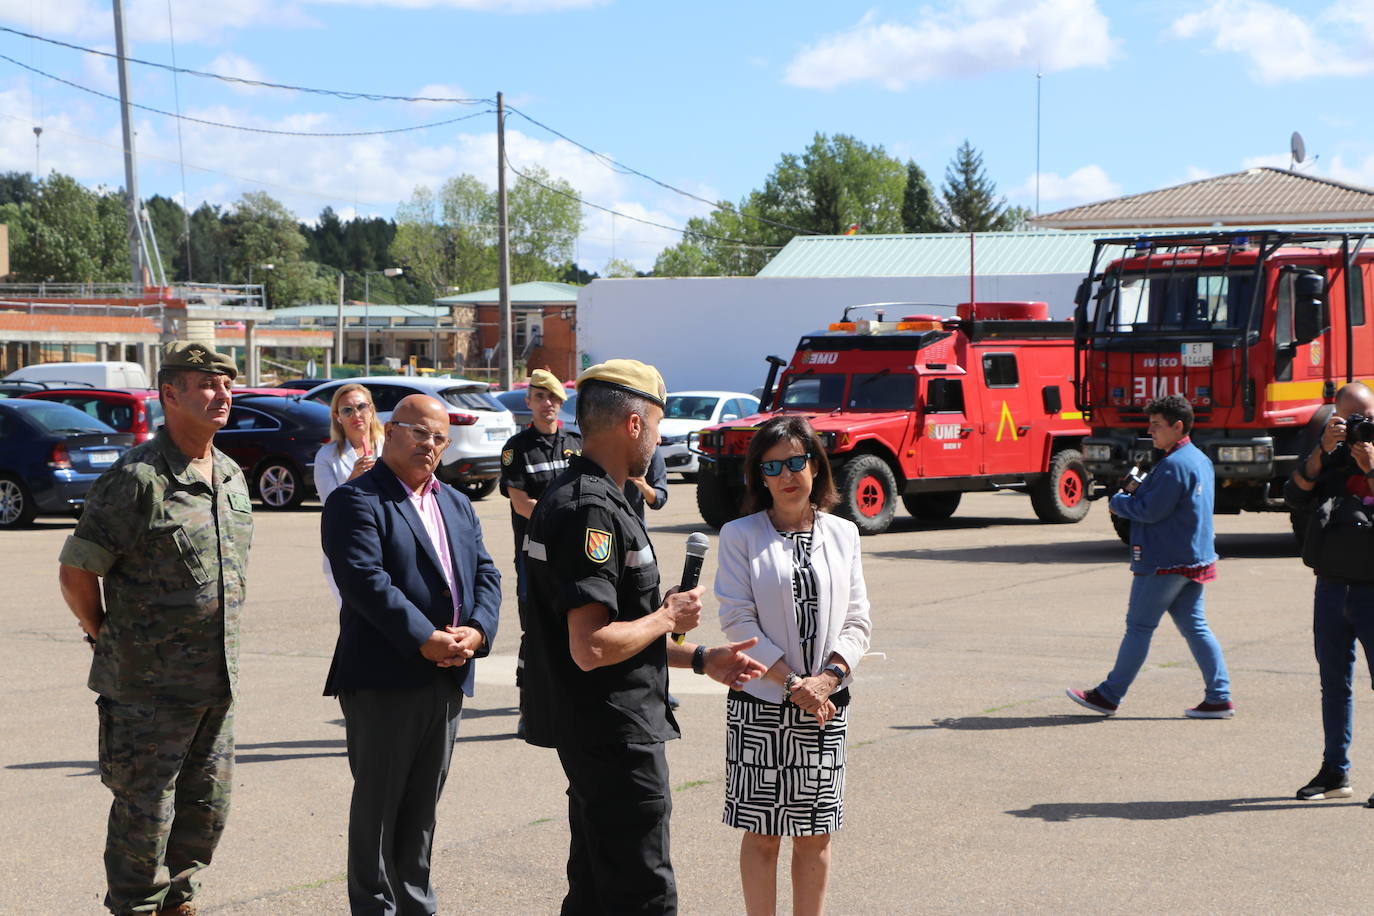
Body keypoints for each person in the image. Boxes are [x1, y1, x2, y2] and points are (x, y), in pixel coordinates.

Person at [520, 358, 768, 915]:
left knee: (594, 887)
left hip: (597, 729)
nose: (657, 441)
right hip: (613, 732)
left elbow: (610, 631)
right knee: (641, 893)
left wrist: (702, 658)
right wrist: (668, 617)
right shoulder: (590, 508)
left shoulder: (585, 495)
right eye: (656, 426)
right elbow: (592, 646)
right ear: (634, 425)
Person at [57, 340, 253, 916]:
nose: (222, 395)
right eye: (207, 385)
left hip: (216, 686)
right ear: (171, 393)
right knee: (145, 816)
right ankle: (137, 908)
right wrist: (104, 634)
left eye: (226, 383)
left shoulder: (232, 475)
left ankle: (180, 903)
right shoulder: (136, 479)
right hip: (146, 692)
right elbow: (76, 573)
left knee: (205, 811)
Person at [321, 394, 501, 915]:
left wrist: (476, 633)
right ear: (389, 431)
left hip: (446, 678)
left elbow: (486, 575)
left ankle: (417, 906)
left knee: (422, 811)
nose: (430, 445)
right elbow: (364, 581)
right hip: (384, 678)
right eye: (419, 432)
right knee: (379, 811)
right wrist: (425, 637)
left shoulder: (457, 502)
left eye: (439, 437)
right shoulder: (356, 500)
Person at [715, 416, 872, 916]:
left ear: (815, 466)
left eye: (796, 462)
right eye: (773, 466)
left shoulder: (844, 533)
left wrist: (826, 681)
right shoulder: (740, 535)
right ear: (759, 476)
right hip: (761, 706)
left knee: (814, 836)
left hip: (823, 707)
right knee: (763, 835)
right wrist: (793, 683)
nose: (787, 475)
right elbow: (737, 620)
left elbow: (858, 620)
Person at [1067, 394, 1233, 718]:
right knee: (1195, 626)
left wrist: (1118, 502)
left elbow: (1150, 510)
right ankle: (1219, 696)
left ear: (1178, 426)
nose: (1151, 430)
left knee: (1139, 627)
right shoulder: (1198, 458)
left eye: (1157, 425)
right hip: (1192, 557)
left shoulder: (1173, 465)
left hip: (1164, 561)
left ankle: (1109, 695)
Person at [1285, 382, 1374, 801]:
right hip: (1332, 586)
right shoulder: (1329, 454)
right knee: (1333, 684)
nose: (1361, 425)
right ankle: (1334, 771)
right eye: (1351, 418)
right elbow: (1295, 494)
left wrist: (1372, 469)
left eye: (1367, 416)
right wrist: (1323, 449)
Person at [499, 369, 582, 734]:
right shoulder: (517, 448)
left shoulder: (577, 444)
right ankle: (528, 704)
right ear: (529, 401)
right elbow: (521, 503)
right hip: (536, 554)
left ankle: (569, 699)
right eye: (540, 397)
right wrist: (563, 519)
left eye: (554, 398)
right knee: (533, 627)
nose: (547, 404)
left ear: (562, 403)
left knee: (575, 624)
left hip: (575, 553)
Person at [314, 383, 386, 605]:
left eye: (362, 406)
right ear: (337, 417)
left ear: (371, 409)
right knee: (356, 623)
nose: (356, 415)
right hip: (348, 550)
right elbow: (331, 504)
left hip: (387, 545)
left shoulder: (390, 448)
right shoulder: (326, 456)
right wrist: (353, 477)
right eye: (347, 410)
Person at [624, 445, 669, 519]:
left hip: (632, 524)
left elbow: (660, 497)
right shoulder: (601, 445)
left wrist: (644, 487)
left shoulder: (649, 446)